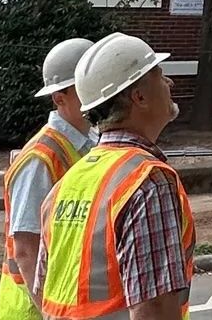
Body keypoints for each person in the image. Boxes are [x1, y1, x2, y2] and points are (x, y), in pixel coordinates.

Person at [36, 32, 194, 320]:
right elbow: (154, 307)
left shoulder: (70, 181)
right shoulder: (146, 180)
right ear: (140, 97)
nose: (169, 83)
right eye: (159, 75)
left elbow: (44, 291)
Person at [0, 37, 97, 320]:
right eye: (85, 87)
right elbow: (26, 250)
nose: (96, 93)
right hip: (32, 312)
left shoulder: (91, 145)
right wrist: (54, 314)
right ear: (59, 98)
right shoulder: (40, 159)